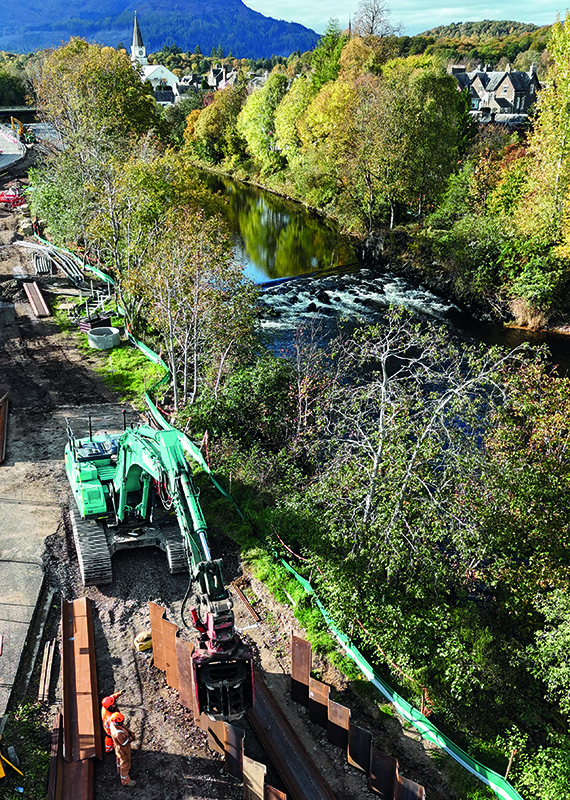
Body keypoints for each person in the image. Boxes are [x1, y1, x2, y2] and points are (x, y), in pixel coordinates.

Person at [109, 711, 136, 787]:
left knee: (118, 757)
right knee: (125, 763)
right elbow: (123, 743)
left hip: (117, 747)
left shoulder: (112, 724)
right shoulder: (118, 733)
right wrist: (130, 738)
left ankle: (118, 769)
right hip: (123, 750)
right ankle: (125, 780)